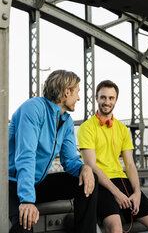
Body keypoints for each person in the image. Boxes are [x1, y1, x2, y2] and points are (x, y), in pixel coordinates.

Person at [9, 69, 98, 233]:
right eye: (77, 92)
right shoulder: (33, 109)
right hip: (11, 184)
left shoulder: (66, 121)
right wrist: (27, 200)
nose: (78, 98)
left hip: (36, 183)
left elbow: (70, 160)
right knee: (25, 222)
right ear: (66, 92)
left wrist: (83, 168)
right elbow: (25, 156)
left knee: (89, 179)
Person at [77, 80, 148, 233]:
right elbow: (91, 165)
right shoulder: (86, 128)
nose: (107, 102)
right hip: (101, 184)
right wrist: (116, 193)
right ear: (96, 98)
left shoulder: (122, 129)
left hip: (122, 182)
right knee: (115, 228)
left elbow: (130, 165)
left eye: (111, 98)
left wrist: (137, 192)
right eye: (103, 97)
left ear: (116, 99)